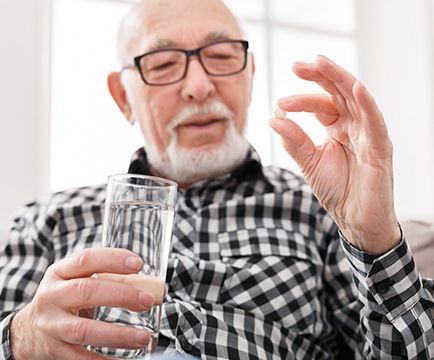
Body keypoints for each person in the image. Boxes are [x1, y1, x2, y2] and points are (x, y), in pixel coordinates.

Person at [1, 0, 433, 359]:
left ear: (250, 76)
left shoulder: (319, 209)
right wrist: (21, 339)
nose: (199, 86)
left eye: (223, 56)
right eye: (165, 64)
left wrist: (373, 234)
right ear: (123, 97)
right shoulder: (47, 221)